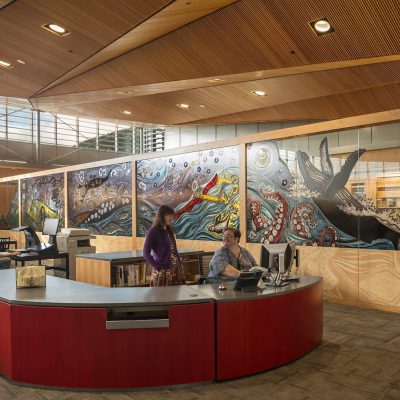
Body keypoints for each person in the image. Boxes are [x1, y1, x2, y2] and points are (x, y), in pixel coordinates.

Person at [143, 205, 186, 286]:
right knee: (163, 297)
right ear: (162, 216)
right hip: (163, 271)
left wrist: (179, 262)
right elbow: (146, 253)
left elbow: (174, 250)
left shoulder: (170, 230)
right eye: (170, 216)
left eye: (172, 216)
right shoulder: (153, 231)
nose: (172, 218)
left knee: (177, 297)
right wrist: (157, 266)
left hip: (176, 270)